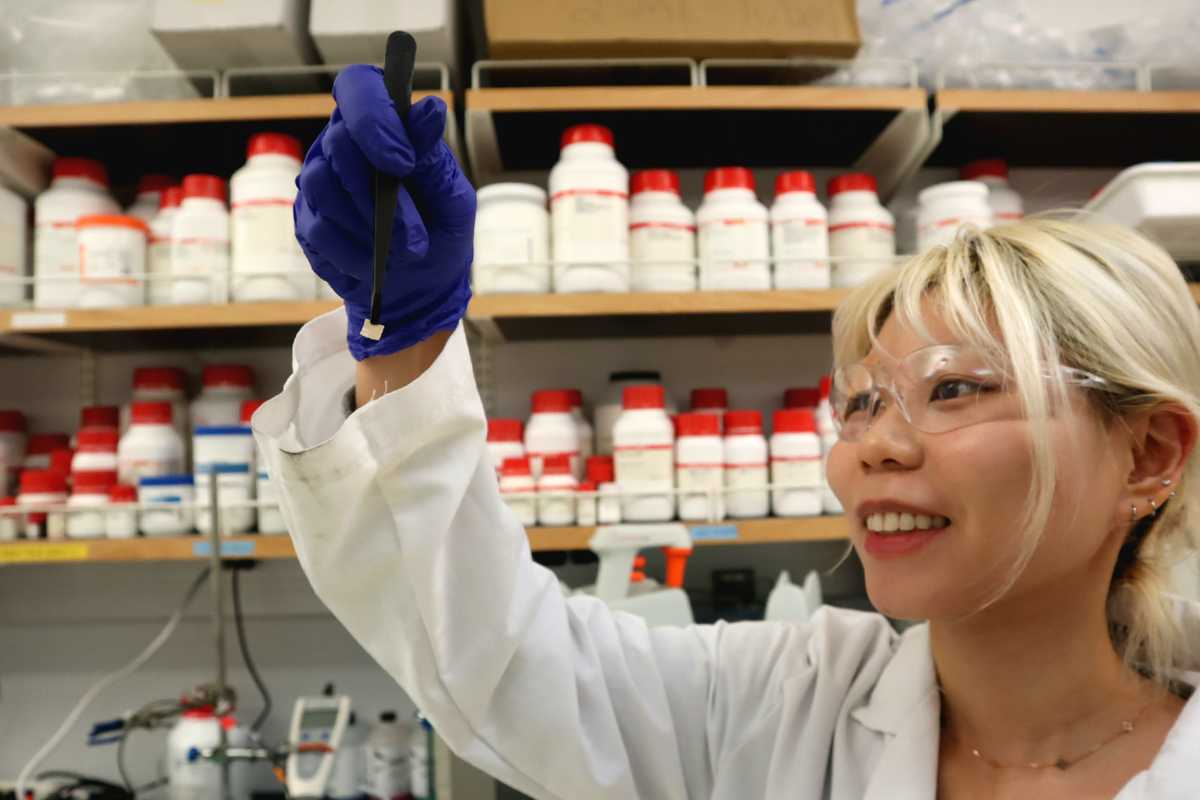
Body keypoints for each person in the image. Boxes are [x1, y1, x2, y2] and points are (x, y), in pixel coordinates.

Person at [251, 64, 1200, 798]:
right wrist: (405, 339)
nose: (875, 446)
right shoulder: (776, 708)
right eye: (862, 403)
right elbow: (492, 654)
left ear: (1149, 453)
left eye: (953, 390)